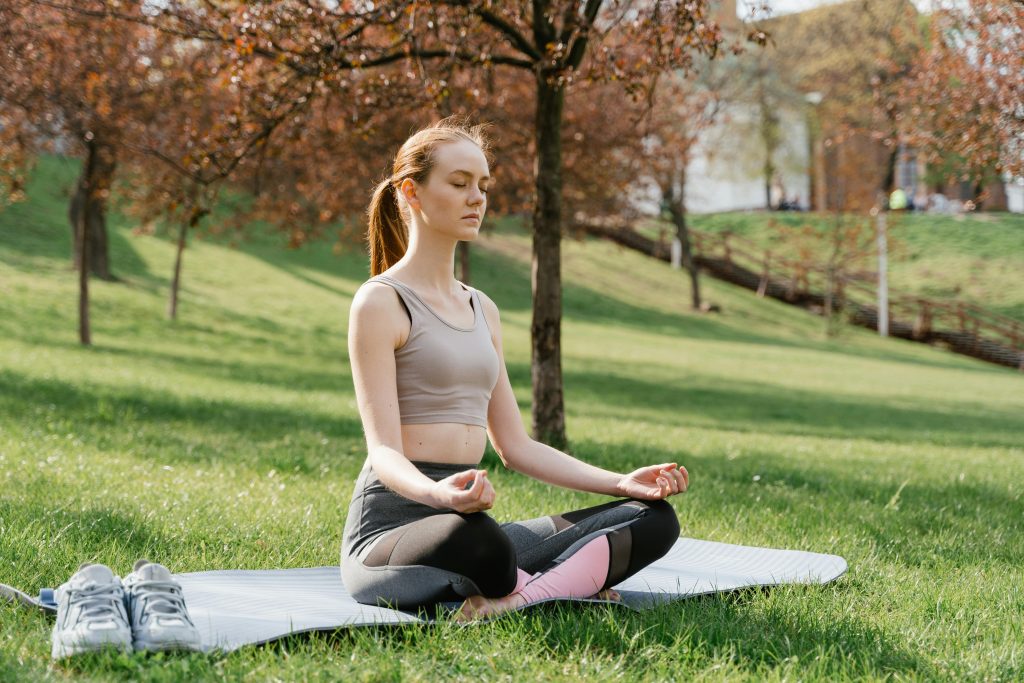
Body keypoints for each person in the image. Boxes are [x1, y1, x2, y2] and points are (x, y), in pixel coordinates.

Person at [340, 116, 688, 621]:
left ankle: (512, 600)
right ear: (411, 192)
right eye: (459, 184)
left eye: (482, 186)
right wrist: (438, 494)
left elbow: (516, 446)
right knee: (483, 544)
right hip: (395, 530)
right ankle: (561, 585)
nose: (477, 198)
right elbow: (385, 453)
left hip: (467, 516)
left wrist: (621, 482)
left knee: (653, 519)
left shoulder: (483, 308)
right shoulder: (381, 302)